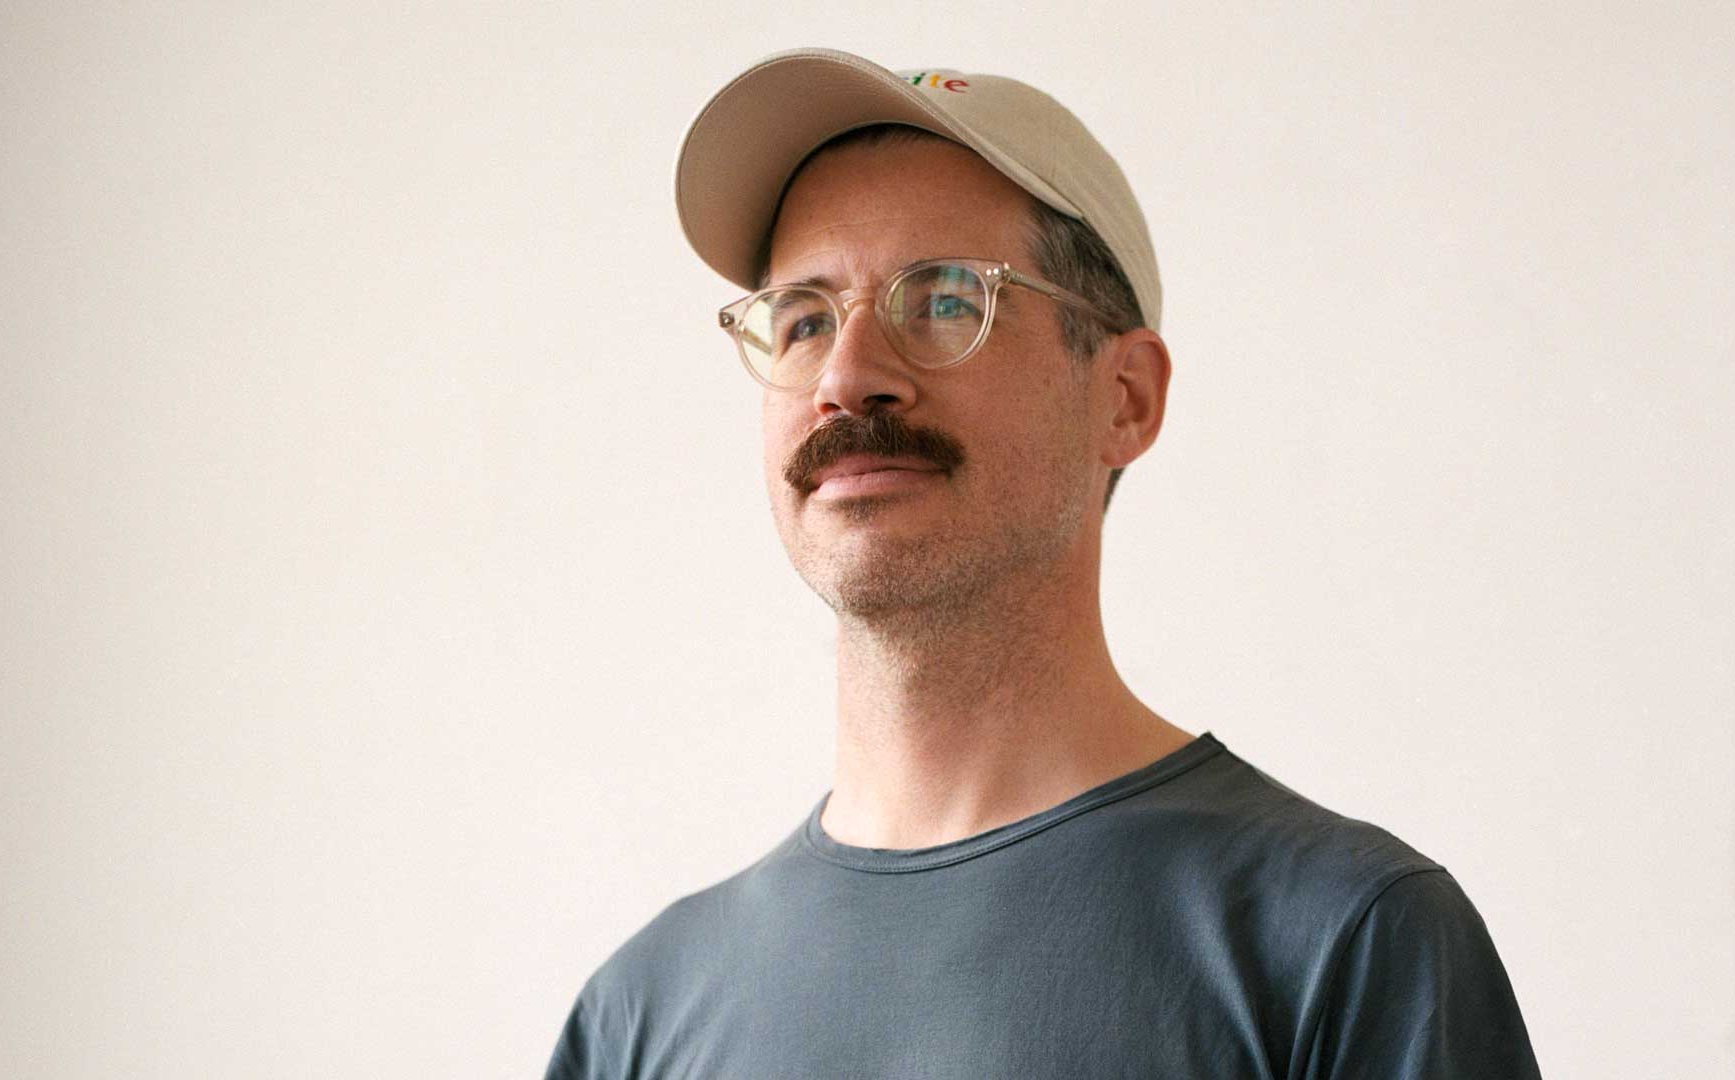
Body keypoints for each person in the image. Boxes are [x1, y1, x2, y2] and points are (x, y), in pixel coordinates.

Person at [546, 47, 1541, 1078]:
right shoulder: (640, 1015)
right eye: (803, 320)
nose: (847, 378)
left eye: (941, 301)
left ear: (1125, 398)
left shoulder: (1342, 944)